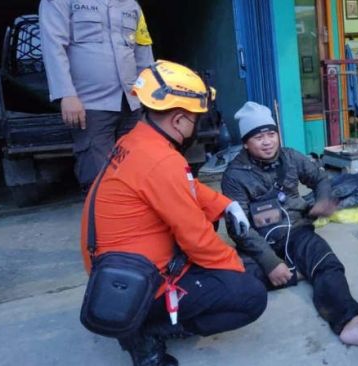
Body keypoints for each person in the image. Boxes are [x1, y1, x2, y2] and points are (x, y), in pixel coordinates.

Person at [80, 61, 267, 366]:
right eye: (195, 119)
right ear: (179, 120)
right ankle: (146, 330)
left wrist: (225, 204)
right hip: (138, 284)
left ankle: (146, 320)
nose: (197, 126)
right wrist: (234, 267)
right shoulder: (160, 161)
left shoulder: (136, 140)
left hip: (117, 270)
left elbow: (185, 187)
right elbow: (196, 238)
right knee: (251, 294)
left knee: (250, 270)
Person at [221, 101, 358, 350]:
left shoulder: (291, 157)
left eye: (271, 134)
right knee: (235, 281)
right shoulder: (234, 176)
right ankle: (297, 271)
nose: (267, 141)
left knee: (328, 264)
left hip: (296, 231)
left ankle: (351, 324)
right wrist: (271, 262)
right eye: (258, 137)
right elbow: (239, 229)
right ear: (246, 143)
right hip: (257, 242)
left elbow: (319, 178)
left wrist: (324, 199)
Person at [39, 0, 154, 192]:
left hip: (132, 103)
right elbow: (53, 46)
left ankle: (132, 220)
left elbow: (143, 52)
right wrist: (66, 94)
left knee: (138, 171)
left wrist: (149, 97)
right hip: (90, 104)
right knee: (98, 177)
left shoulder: (131, 5)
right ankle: (101, 221)